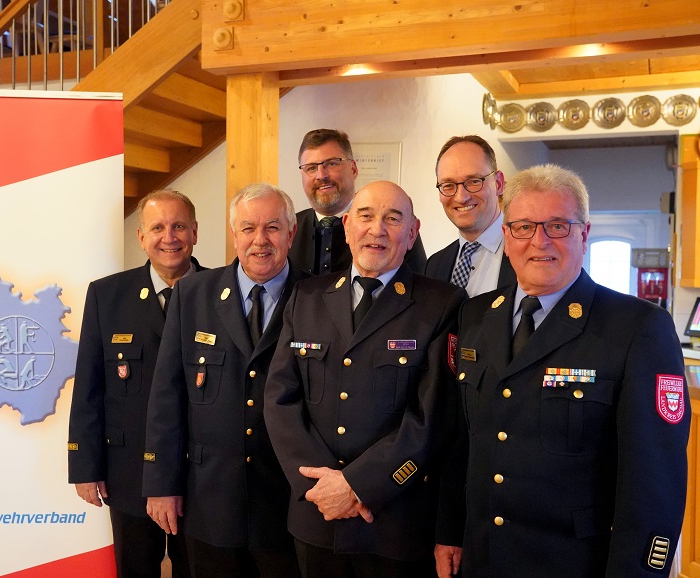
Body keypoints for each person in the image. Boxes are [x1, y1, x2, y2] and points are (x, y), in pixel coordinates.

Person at [455, 164, 690, 577]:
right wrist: (449, 532)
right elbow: (462, 442)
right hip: (484, 557)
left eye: (558, 226)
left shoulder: (637, 327)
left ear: (584, 234)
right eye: (523, 227)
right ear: (507, 236)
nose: (539, 241)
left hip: (575, 563)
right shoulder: (475, 315)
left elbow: (655, 480)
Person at [265, 180, 467, 578]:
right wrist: (322, 487)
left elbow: (431, 418)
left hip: (393, 522)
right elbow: (279, 400)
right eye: (366, 216)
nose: (377, 230)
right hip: (317, 516)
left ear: (412, 233)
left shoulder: (441, 304)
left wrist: (356, 486)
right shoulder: (306, 297)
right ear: (346, 226)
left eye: (393, 219)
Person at [143, 183, 304, 578]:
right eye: (248, 228)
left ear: (291, 232)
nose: (260, 240)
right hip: (210, 499)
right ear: (234, 234)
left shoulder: (317, 296)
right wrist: (161, 484)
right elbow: (167, 397)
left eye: (272, 227)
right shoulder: (192, 294)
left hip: (288, 502)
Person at [68, 190, 199, 578]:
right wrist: (85, 465)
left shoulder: (221, 291)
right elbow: (89, 387)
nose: (169, 237)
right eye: (157, 228)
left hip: (200, 473)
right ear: (141, 237)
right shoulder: (107, 295)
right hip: (129, 471)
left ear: (195, 232)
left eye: (179, 226)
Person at [289, 128, 427, 275]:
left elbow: (417, 284)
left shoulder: (396, 226)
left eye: (332, 164)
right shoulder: (288, 228)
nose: (321, 175)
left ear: (353, 169)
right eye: (311, 168)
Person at [425, 135, 516, 295]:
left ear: (499, 183)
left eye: (474, 181)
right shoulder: (434, 265)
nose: (461, 197)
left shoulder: (529, 253)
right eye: (448, 185)